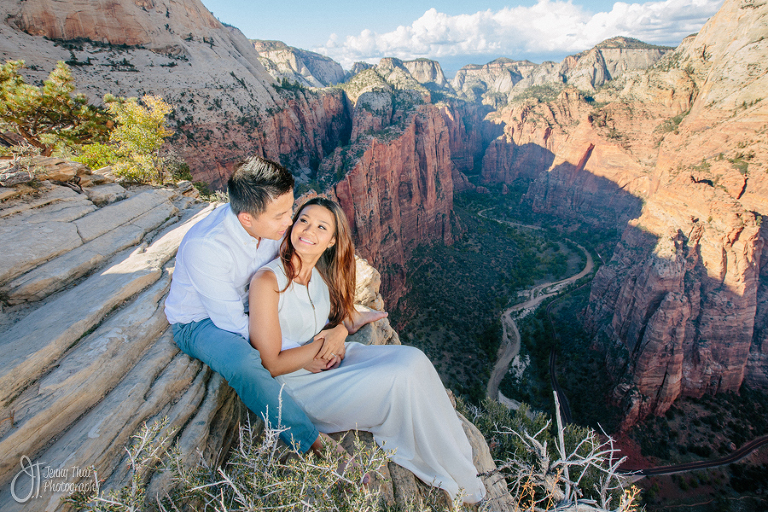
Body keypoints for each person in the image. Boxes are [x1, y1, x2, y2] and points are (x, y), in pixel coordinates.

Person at [249, 196, 487, 504]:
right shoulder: (268, 280)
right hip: (300, 389)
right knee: (399, 380)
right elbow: (270, 364)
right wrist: (323, 346)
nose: (308, 230)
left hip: (327, 364)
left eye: (322, 226)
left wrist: (339, 330)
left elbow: (337, 318)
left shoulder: (318, 275)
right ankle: (439, 462)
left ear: (332, 240)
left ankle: (453, 453)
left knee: (415, 359)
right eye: (304, 220)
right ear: (293, 224)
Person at [164, 157, 349, 454]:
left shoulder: (271, 226)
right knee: (243, 363)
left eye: (290, 210)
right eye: (279, 216)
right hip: (201, 322)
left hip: (251, 303)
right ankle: (311, 440)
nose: (289, 222)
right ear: (247, 219)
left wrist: (340, 326)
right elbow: (233, 323)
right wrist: (305, 352)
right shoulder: (206, 247)